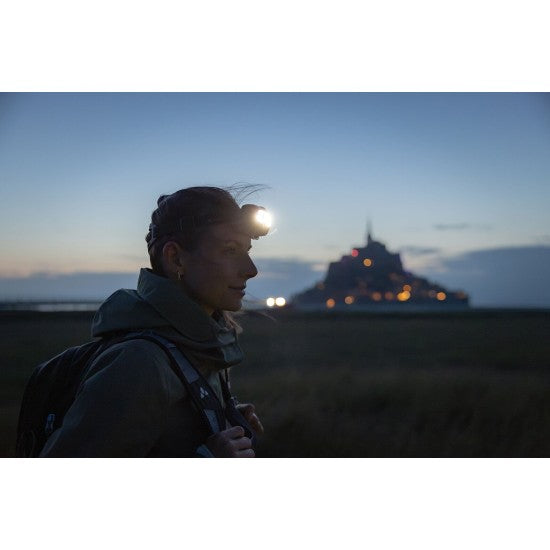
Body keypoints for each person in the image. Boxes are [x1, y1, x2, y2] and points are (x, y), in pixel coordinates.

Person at [40, 186, 267, 457]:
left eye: (247, 251)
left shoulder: (198, 344)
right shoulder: (138, 364)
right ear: (175, 258)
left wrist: (216, 417)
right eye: (230, 251)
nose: (251, 270)